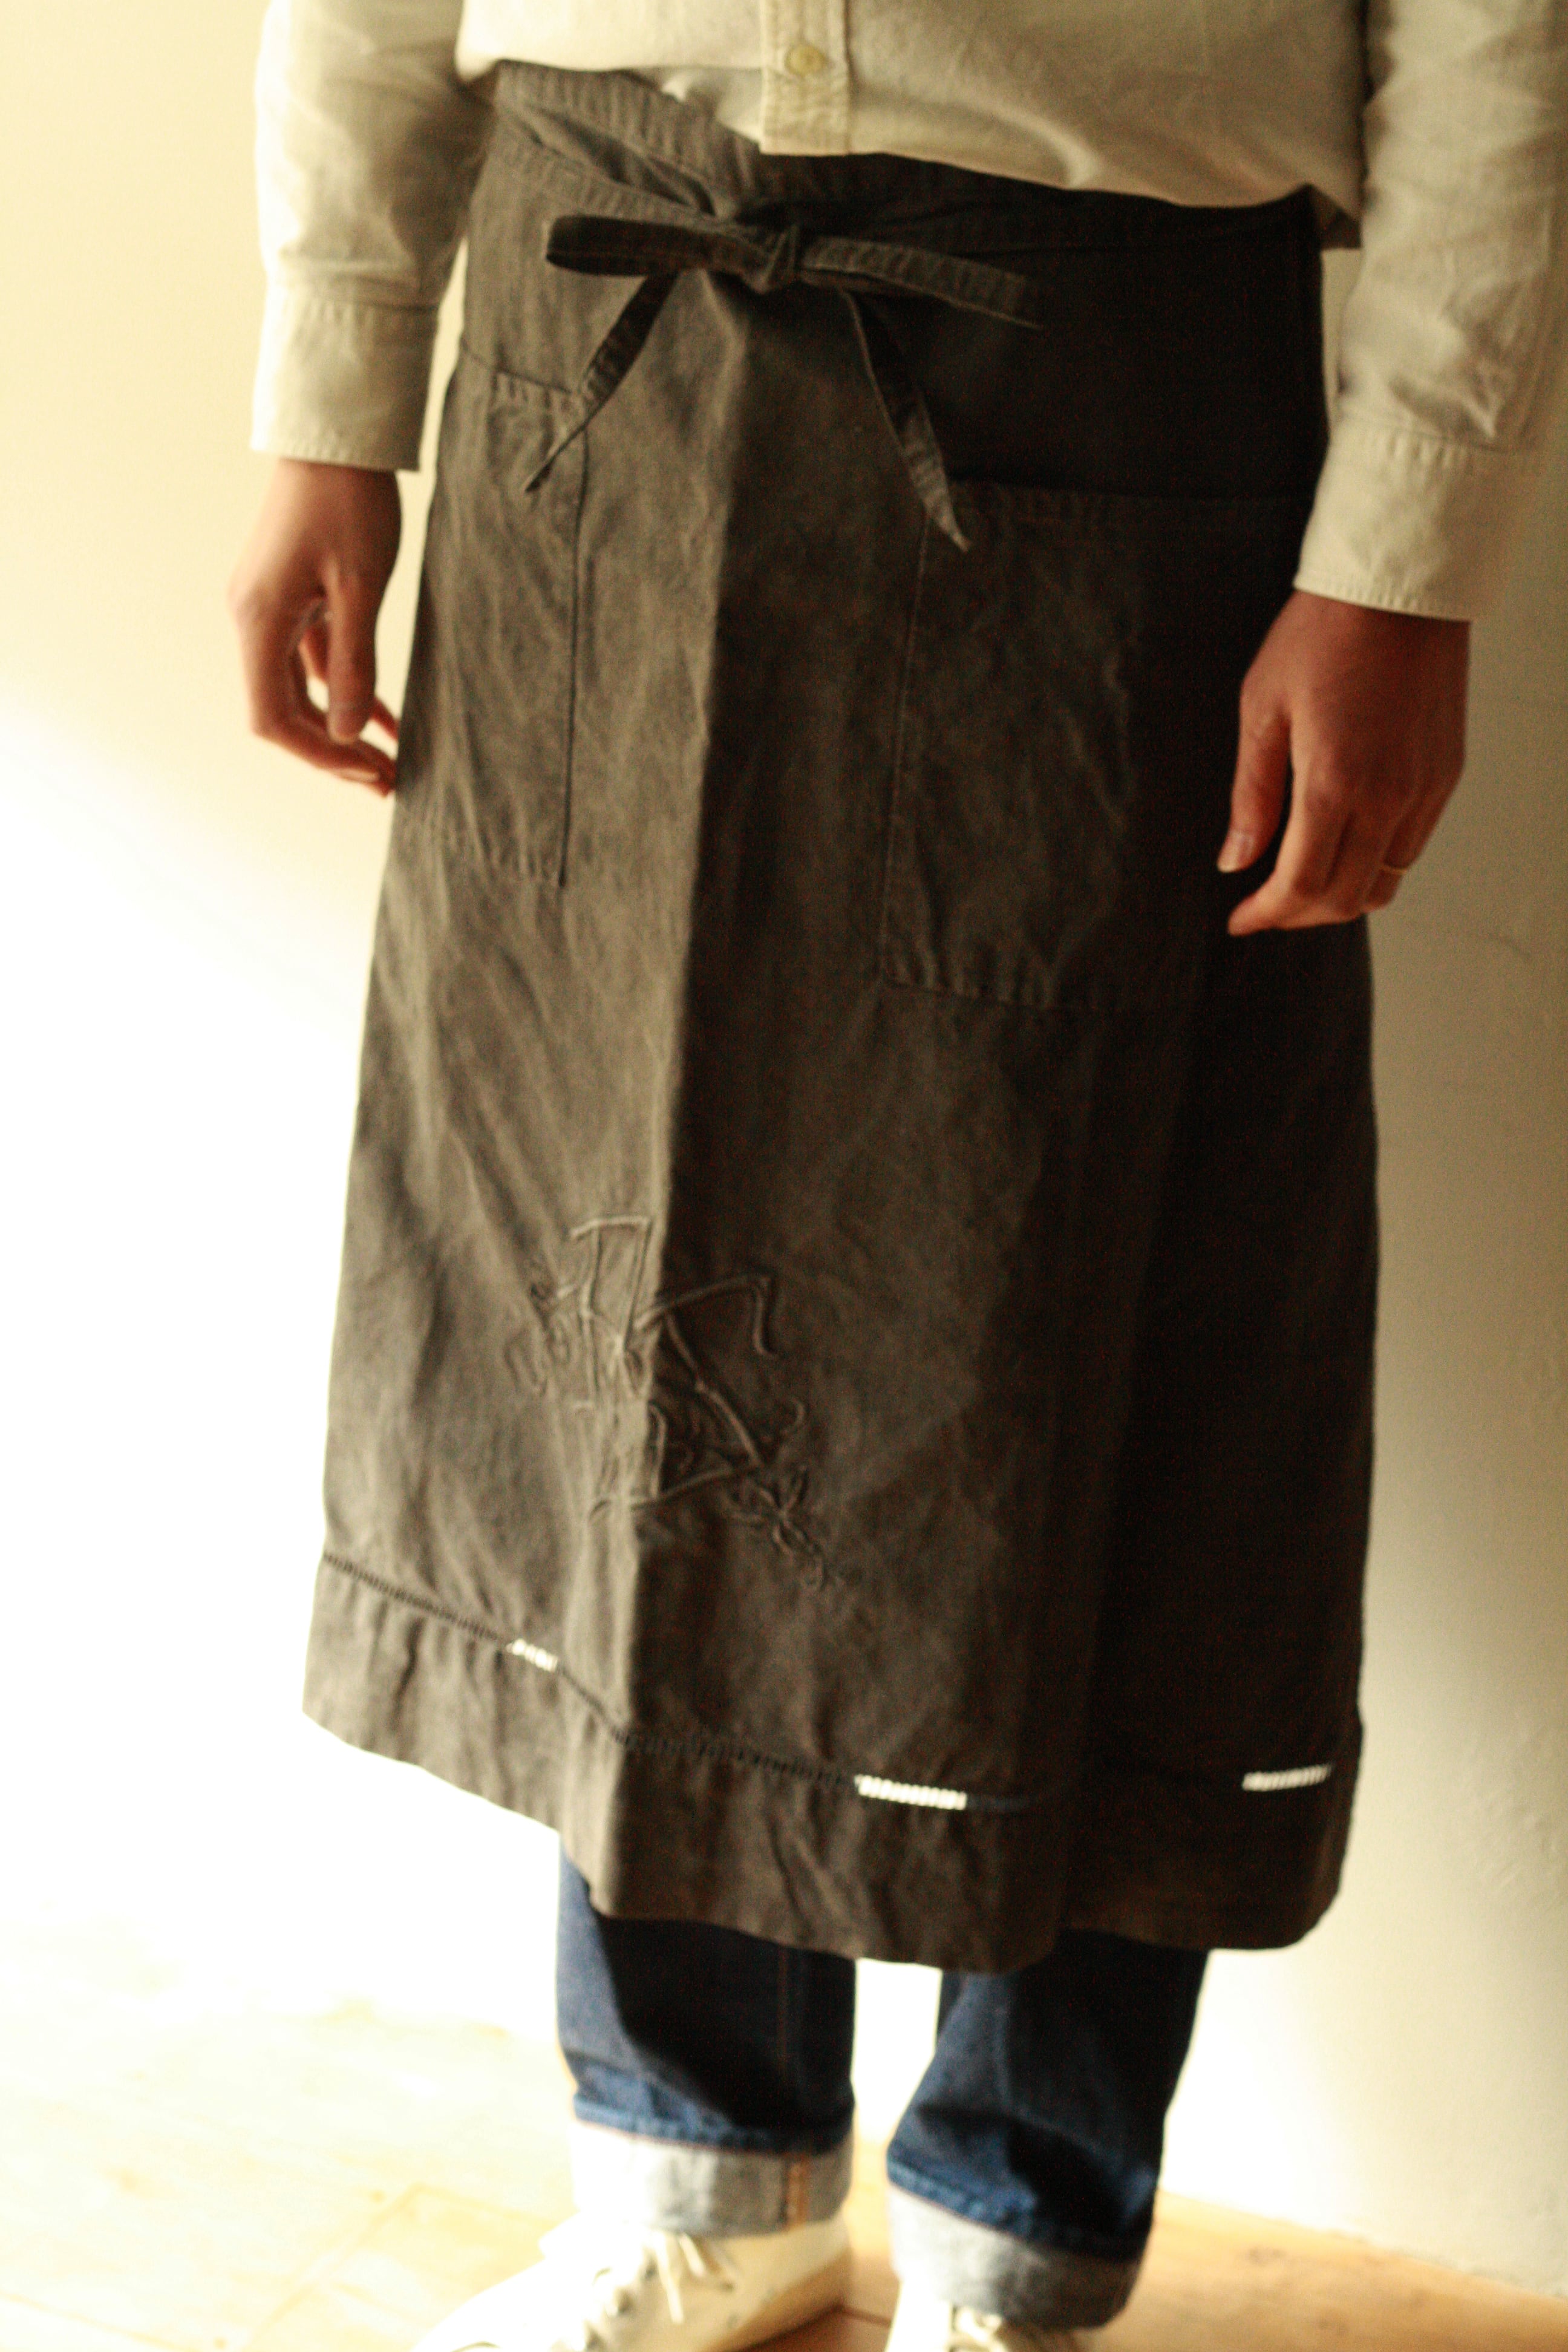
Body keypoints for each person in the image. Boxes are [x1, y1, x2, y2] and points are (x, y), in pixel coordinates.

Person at [229, 7, 1567, 2350]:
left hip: (1115, 374)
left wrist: (1409, 554)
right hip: (601, 335)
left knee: (1105, 1316)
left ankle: (1016, 2232)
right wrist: (330, 391)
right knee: (617, 1284)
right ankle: (704, 2166)